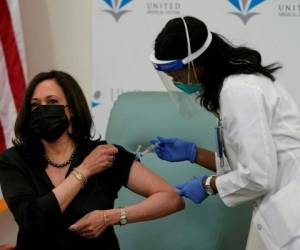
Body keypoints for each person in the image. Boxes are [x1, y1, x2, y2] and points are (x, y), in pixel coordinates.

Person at [149, 16, 300, 250]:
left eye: (176, 74)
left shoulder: (239, 91)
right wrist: (193, 153)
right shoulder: (232, 89)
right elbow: (245, 167)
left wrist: (208, 184)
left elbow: (258, 176)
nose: (175, 81)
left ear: (196, 63)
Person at [0, 70, 184, 250]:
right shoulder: (14, 161)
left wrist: (111, 217)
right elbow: (33, 220)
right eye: (35, 105)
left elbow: (171, 198)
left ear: (70, 109)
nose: (42, 110)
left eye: (52, 102)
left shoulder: (102, 155)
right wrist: (84, 170)